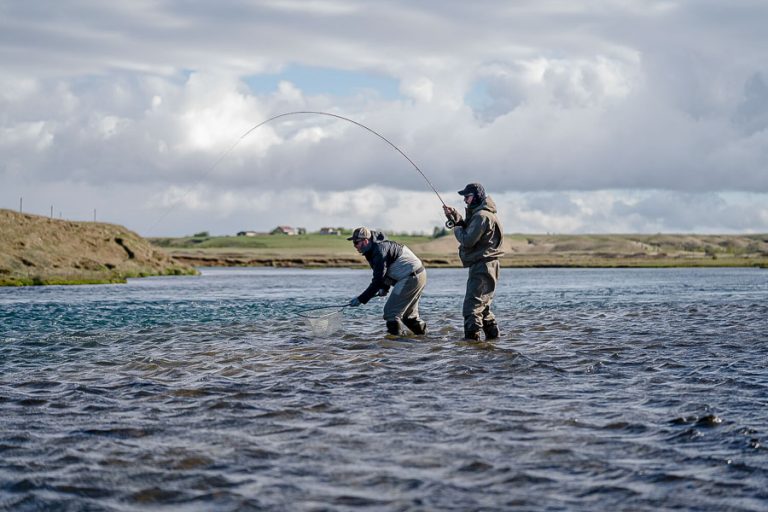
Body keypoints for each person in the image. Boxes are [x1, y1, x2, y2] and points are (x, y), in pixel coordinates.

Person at [442, 183, 504, 341]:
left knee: (471, 308)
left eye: (467, 197)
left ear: (476, 196)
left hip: (483, 265)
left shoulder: (482, 216)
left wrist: (456, 227)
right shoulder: (482, 214)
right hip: (486, 264)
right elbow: (470, 228)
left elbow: (468, 240)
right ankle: (493, 343)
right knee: (483, 308)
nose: (465, 200)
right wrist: (454, 216)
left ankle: (472, 348)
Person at [347, 226, 428, 336]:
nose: (355, 246)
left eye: (356, 242)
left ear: (365, 241)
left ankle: (395, 348)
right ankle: (425, 339)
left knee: (391, 313)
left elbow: (378, 280)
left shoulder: (379, 251)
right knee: (408, 316)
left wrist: (361, 299)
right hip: (416, 275)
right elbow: (385, 273)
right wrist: (385, 288)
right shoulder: (373, 249)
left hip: (411, 277)